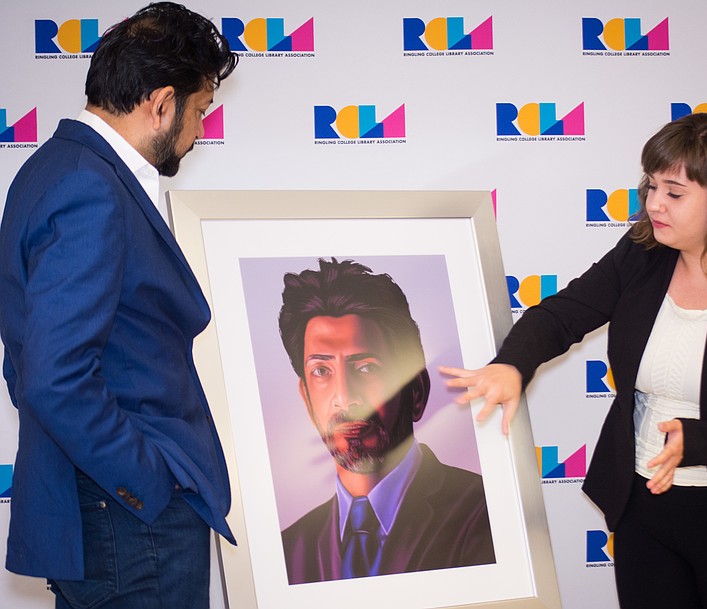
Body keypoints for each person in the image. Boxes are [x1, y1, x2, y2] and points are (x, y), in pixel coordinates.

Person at [442, 113, 707, 609]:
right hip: (644, 510)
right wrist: (512, 364)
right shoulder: (641, 254)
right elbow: (564, 313)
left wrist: (700, 439)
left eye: (674, 192)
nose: (653, 204)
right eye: (650, 187)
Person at [0, 4, 238, 609]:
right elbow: (54, 376)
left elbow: (28, 359)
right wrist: (147, 483)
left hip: (100, 513)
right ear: (161, 102)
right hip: (130, 522)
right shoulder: (91, 186)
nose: (199, 131)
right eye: (201, 110)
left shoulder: (50, 169)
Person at [277, 258, 495, 584]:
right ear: (307, 400)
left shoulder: (483, 515)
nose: (344, 397)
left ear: (416, 392)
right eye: (321, 372)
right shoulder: (289, 549)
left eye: (366, 368)